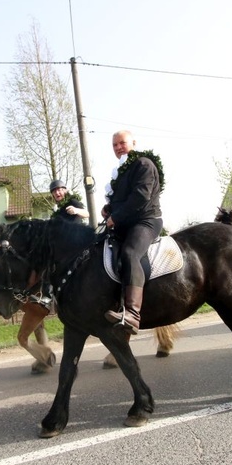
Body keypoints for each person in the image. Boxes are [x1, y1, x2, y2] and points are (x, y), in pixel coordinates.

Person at [101, 130, 163, 335]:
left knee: (130, 253)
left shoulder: (143, 164)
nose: (118, 147)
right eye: (114, 145)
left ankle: (133, 314)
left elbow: (140, 196)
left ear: (133, 143)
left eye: (122, 143)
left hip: (146, 221)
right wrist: (109, 210)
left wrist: (115, 217)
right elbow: (121, 201)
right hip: (126, 224)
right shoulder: (120, 172)